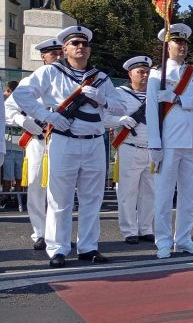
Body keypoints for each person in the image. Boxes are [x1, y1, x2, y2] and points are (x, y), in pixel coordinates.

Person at [14, 25, 127, 267]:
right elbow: (21, 95)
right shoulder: (50, 73)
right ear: (64, 49)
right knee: (60, 199)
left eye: (84, 44)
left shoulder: (101, 78)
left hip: (95, 143)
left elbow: (121, 107)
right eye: (75, 43)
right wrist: (47, 116)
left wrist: (102, 98)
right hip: (64, 142)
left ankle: (88, 247)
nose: (80, 48)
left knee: (92, 199)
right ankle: (58, 248)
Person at [146, 23, 193, 259]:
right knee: (164, 195)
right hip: (169, 142)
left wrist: (178, 98)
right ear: (167, 45)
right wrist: (154, 144)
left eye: (185, 42)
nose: (182, 46)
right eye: (177, 42)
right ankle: (163, 241)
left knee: (188, 195)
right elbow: (151, 113)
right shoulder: (157, 74)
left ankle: (183, 239)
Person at [4, 38, 62, 249]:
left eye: (59, 53)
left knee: (60, 189)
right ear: (43, 57)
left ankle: (58, 234)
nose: (57, 57)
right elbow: (9, 110)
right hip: (37, 141)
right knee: (37, 185)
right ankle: (40, 232)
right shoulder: (32, 81)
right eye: (52, 54)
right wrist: (24, 121)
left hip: (64, 141)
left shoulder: (70, 80)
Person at [104, 55, 155, 244]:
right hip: (129, 147)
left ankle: (146, 228)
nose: (145, 75)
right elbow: (104, 117)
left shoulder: (155, 94)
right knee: (127, 192)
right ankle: (129, 230)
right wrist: (119, 121)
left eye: (147, 72)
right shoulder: (119, 94)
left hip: (151, 149)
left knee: (150, 192)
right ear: (130, 74)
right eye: (140, 72)